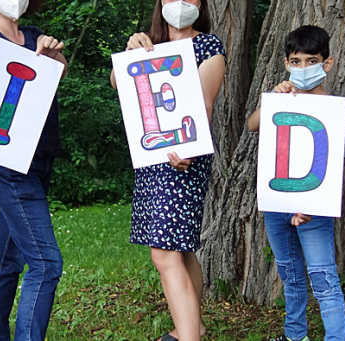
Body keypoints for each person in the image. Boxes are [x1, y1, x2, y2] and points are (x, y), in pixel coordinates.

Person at [112, 0, 225, 340]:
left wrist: (187, 150)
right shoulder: (149, 45)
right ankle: (192, 326)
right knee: (181, 247)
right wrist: (130, 49)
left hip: (184, 158)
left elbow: (205, 103)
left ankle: (189, 336)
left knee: (163, 253)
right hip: (152, 158)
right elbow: (120, 83)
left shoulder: (208, 46)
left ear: (200, 3)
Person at [0, 0, 68, 339]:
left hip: (39, 160)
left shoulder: (35, 35)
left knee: (9, 261)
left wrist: (51, 52)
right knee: (46, 263)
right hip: (5, 164)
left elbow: (59, 73)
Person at [243, 25, 345, 341]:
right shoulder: (282, 101)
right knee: (290, 275)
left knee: (323, 278)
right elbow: (252, 125)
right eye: (296, 61)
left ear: (326, 64)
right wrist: (271, 100)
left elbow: (336, 166)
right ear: (287, 63)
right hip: (278, 204)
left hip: (314, 208)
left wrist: (311, 204)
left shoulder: (334, 112)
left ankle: (336, 337)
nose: (303, 68)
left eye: (311, 60)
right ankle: (295, 335)